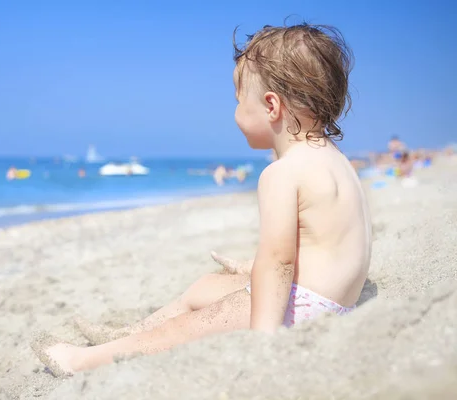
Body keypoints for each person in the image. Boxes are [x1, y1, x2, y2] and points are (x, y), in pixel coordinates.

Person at [32, 22, 372, 375]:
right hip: (331, 301)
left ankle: (81, 362)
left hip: (299, 308)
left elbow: (278, 262)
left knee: (179, 332)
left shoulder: (281, 173)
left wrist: (264, 342)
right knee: (204, 287)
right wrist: (246, 269)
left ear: (271, 106)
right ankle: (122, 336)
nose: (236, 112)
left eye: (239, 100)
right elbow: (324, 242)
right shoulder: (336, 162)